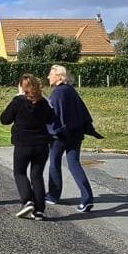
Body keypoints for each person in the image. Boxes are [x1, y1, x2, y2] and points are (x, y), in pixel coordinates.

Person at [44, 64, 103, 213]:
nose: (48, 77)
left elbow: (53, 116)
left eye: (51, 74)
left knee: (54, 163)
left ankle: (53, 195)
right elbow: (83, 112)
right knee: (74, 164)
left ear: (59, 76)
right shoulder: (71, 91)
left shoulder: (57, 93)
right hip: (75, 134)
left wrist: (48, 131)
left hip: (60, 136)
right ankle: (87, 197)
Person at [0, 74, 56, 220]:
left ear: (21, 87)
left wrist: (17, 98)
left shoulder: (18, 101)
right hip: (41, 144)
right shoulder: (43, 102)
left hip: (23, 143)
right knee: (37, 176)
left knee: (20, 172)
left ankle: (27, 200)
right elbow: (52, 118)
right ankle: (39, 210)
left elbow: (4, 119)